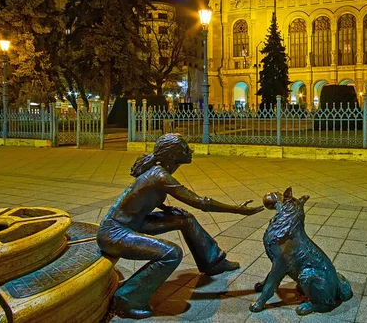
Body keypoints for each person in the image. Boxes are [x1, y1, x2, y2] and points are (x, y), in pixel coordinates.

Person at [97, 133, 263, 319]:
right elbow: (201, 202)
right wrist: (237, 210)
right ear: (173, 155)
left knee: (185, 219)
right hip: (114, 233)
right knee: (172, 253)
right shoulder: (160, 175)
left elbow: (142, 195)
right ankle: (127, 298)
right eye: (185, 148)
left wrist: (165, 209)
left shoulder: (158, 171)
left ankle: (213, 262)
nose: (189, 150)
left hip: (136, 222)